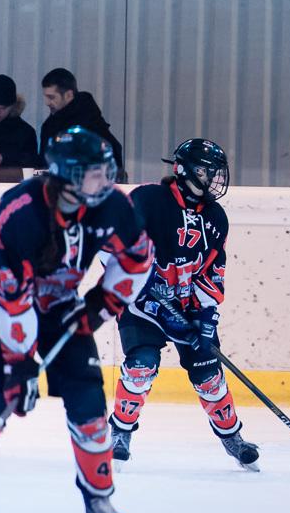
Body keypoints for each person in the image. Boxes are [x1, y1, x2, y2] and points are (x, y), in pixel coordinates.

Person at [0, 126, 154, 513]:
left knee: (90, 409)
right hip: (3, 313)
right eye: (95, 173)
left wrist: (102, 305)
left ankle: (99, 499)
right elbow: (10, 298)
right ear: (66, 174)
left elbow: (138, 260)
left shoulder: (113, 208)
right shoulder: (20, 211)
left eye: (107, 172)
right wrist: (19, 363)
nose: (106, 181)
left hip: (64, 309)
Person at [108, 138, 259, 470]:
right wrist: (142, 278)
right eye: (208, 172)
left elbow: (212, 269)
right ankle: (119, 432)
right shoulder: (149, 200)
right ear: (185, 170)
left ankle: (232, 436)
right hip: (142, 303)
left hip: (186, 306)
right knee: (141, 365)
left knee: (209, 373)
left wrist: (206, 317)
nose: (215, 180)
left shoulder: (215, 217)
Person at [38, 68, 125, 179]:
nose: (47, 103)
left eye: (51, 97)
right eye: (45, 97)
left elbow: (112, 153)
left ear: (68, 95)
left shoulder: (90, 122)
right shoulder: (49, 125)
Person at [0, 74, 42, 178]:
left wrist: (3, 158)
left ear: (12, 106)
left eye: (3, 108)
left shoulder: (25, 132)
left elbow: (32, 164)